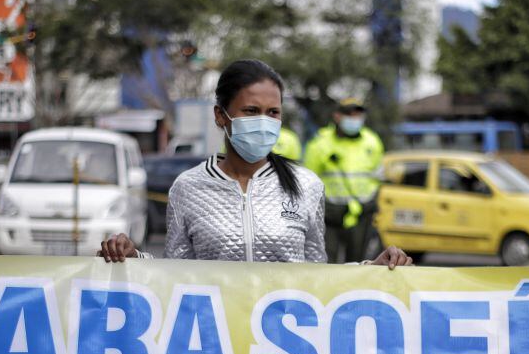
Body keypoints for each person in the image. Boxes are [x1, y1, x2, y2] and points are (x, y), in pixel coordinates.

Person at [98, 59, 410, 268]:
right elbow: (175, 275)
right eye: (250, 110)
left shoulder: (307, 186)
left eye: (273, 112)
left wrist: (373, 269)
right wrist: (132, 257)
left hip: (285, 351)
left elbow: (319, 277)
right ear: (221, 116)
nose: (264, 121)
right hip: (217, 347)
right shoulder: (188, 187)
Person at [304, 97, 385, 263]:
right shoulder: (320, 144)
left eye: (358, 115)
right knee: (326, 261)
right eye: (349, 114)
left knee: (358, 262)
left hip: (361, 213)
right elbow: (307, 182)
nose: (354, 119)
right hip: (329, 214)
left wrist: (372, 203)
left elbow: (378, 177)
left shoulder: (372, 142)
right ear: (337, 116)